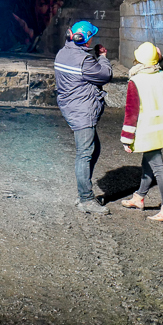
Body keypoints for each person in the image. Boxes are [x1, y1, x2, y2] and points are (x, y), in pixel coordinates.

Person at [54, 21, 113, 214]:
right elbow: (104, 75)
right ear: (84, 38)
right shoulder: (84, 60)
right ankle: (85, 199)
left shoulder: (63, 53)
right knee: (85, 154)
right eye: (91, 37)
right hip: (81, 111)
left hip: (72, 107)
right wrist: (102, 57)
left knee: (92, 149)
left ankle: (84, 189)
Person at [119, 42, 163, 223]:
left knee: (158, 168)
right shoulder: (162, 76)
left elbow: (131, 112)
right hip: (160, 129)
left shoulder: (135, 81)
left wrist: (127, 138)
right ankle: (139, 197)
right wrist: (162, 59)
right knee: (148, 162)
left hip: (146, 131)